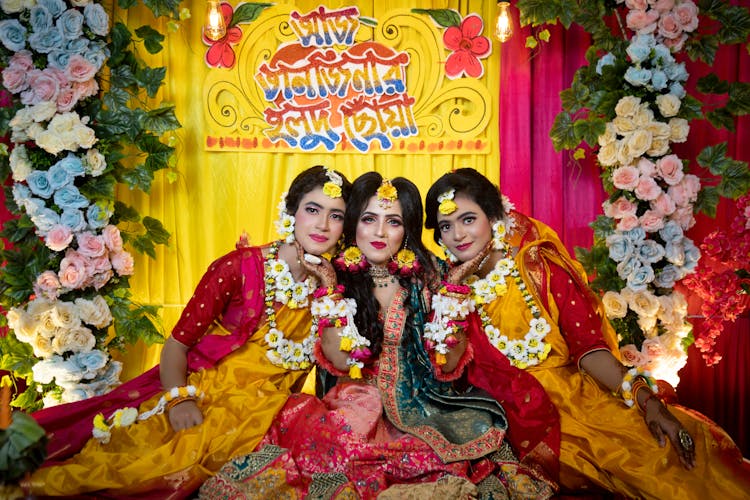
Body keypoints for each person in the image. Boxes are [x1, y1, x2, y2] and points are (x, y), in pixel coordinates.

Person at [199, 172, 555, 499]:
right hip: (352, 408)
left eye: (394, 222)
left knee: (459, 442)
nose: (380, 233)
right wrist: (329, 292)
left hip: (425, 407)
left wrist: (454, 294)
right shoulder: (334, 274)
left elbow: (447, 366)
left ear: (408, 229)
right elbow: (339, 361)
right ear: (354, 224)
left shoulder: (430, 278)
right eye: (369, 220)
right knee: (340, 445)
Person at [24, 165, 352, 498]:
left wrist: (329, 288)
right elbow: (177, 345)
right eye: (313, 210)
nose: (323, 225)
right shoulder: (238, 268)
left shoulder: (337, 285)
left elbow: (339, 361)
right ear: (291, 211)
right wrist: (178, 401)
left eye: (336, 215)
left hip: (272, 411)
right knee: (131, 470)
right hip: (207, 396)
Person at [422, 167, 750, 498]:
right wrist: (453, 299)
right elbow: (447, 368)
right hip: (507, 420)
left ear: (493, 216)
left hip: (578, 402)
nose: (458, 235)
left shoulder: (539, 268)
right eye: (446, 227)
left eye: (467, 219)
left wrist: (646, 400)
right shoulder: (446, 291)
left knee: (665, 454)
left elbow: (589, 349)